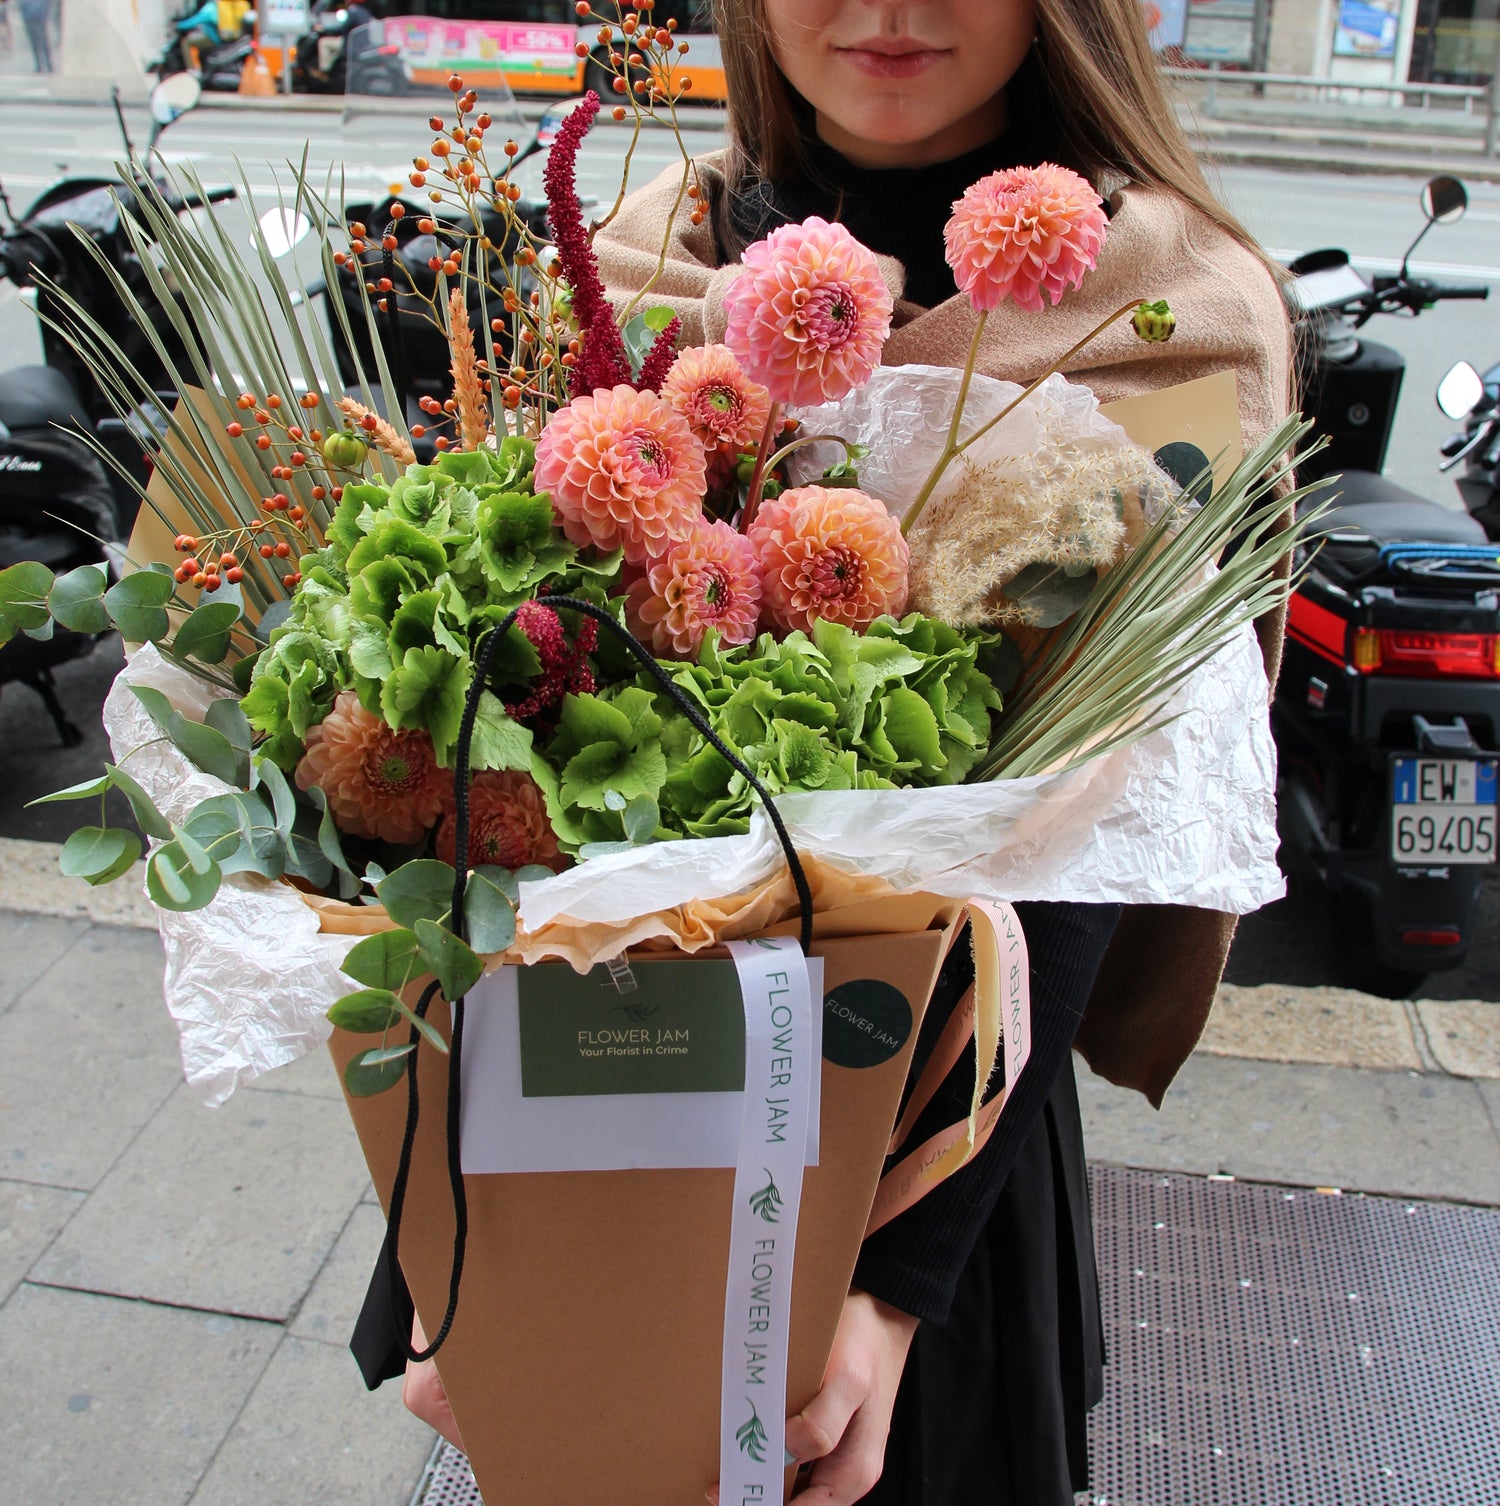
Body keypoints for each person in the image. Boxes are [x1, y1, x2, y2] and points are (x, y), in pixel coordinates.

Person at [382, 1, 1293, 1502]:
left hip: (940, 1138)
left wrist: (879, 1296)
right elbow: (485, 757)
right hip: (575, 1086)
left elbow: (1091, 824)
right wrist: (442, 1197)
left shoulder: (1168, 319)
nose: (883, 12)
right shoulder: (627, 258)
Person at [19, 0, 52, 72]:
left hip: (38, 19)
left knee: (42, 43)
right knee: (35, 43)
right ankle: (39, 65)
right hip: (30, 19)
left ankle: (47, 64)